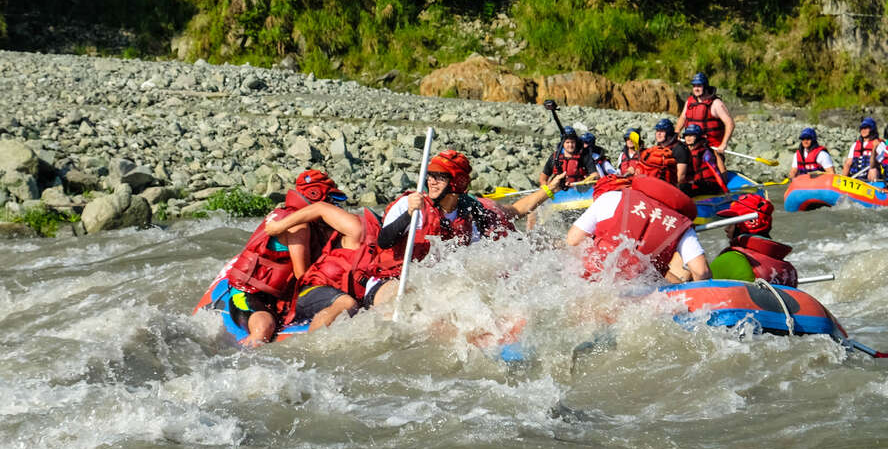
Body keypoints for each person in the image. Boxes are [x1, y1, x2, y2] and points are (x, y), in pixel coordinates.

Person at [370, 150, 567, 308]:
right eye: (430, 175)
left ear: (457, 182)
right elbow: (384, 240)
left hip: (435, 285)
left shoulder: (473, 210)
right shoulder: (410, 203)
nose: (431, 181)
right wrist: (408, 215)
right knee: (393, 303)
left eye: (440, 177)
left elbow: (515, 210)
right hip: (391, 279)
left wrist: (549, 190)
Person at [219, 169, 346, 346]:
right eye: (331, 199)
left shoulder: (288, 215)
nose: (334, 205)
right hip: (246, 292)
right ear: (316, 196)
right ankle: (240, 360)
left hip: (272, 295)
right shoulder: (297, 225)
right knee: (264, 326)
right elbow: (302, 273)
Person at [565, 146, 709, 283]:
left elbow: (572, 241)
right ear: (673, 180)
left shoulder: (611, 197)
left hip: (594, 283)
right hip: (641, 294)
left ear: (638, 172)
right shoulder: (681, 224)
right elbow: (701, 272)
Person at [262, 198, 376, 333]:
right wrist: (278, 227)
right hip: (308, 292)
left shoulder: (390, 257)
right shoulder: (358, 229)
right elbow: (320, 207)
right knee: (347, 303)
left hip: (331, 295)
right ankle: (310, 348)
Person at [708, 194, 797, 287]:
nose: (726, 229)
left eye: (731, 223)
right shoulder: (788, 269)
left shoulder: (730, 259)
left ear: (742, 225)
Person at [676, 71, 735, 173]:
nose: (696, 89)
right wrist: (677, 132)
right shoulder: (690, 101)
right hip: (692, 141)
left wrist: (723, 144)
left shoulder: (716, 103)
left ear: (705, 86)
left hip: (710, 143)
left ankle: (724, 183)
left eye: (699, 86)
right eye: (694, 86)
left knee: (718, 162)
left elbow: (730, 123)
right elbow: (682, 117)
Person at [681, 124, 728, 195]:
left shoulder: (706, 153)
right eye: (687, 135)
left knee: (684, 188)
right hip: (695, 182)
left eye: (692, 135)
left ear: (698, 137)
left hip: (708, 184)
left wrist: (723, 188)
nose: (688, 138)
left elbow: (716, 171)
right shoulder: (683, 150)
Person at [654, 118, 692, 185]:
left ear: (668, 133)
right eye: (657, 131)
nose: (658, 134)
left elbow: (681, 177)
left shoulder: (679, 149)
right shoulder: (658, 147)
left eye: (662, 131)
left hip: (680, 187)